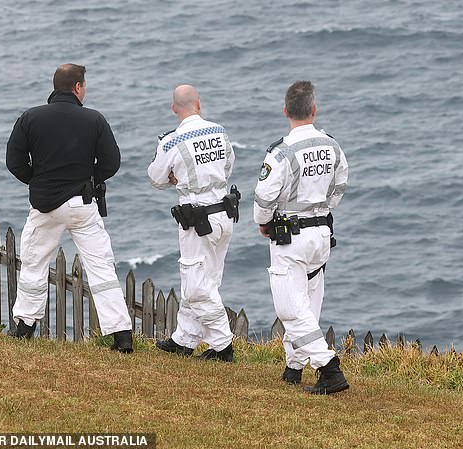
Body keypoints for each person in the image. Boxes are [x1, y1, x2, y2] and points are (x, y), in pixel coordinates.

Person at [6, 63, 133, 353]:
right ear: (77, 87)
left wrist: (36, 179)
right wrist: (88, 179)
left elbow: (14, 162)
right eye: (84, 85)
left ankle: (25, 326)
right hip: (83, 204)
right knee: (101, 267)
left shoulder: (30, 118)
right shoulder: (94, 119)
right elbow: (111, 163)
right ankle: (122, 335)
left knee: (34, 263)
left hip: (46, 205)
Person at [253, 80, 349, 394]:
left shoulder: (281, 152)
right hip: (321, 234)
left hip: (290, 237)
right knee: (308, 302)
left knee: (290, 308)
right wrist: (321, 207)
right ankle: (294, 367)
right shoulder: (332, 145)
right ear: (314, 109)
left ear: (285, 111)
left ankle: (329, 369)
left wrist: (263, 223)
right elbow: (339, 188)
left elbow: (264, 198)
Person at [148, 85, 238, 362]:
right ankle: (184, 340)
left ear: (174, 108)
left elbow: (156, 177)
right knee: (206, 279)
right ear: (199, 103)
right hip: (224, 215)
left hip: (198, 222)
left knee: (197, 284)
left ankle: (223, 346)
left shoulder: (170, 142)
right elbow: (228, 167)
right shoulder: (219, 131)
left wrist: (174, 177)